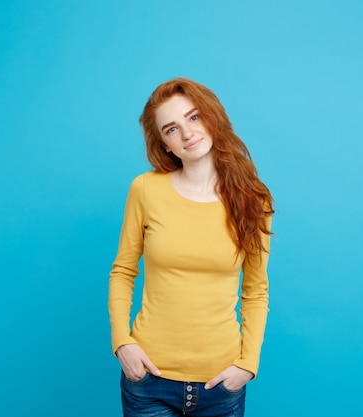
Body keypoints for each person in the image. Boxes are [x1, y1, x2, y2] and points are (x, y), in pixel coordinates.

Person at [108, 77, 274, 417]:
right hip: (148, 378)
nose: (187, 133)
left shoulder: (253, 200)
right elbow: (123, 270)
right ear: (165, 144)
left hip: (221, 382)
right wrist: (122, 342)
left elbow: (256, 291)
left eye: (194, 117)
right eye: (171, 129)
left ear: (212, 117)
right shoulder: (145, 190)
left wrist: (248, 364)